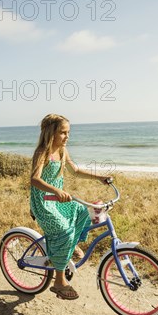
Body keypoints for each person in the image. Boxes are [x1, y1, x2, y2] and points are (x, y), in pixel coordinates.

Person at [30, 114, 111, 300]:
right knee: (64, 231)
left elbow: (75, 171)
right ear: (51, 133)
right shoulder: (42, 152)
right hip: (43, 202)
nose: (67, 136)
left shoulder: (62, 151)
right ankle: (59, 282)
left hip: (58, 200)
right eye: (63, 132)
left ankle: (68, 248)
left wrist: (100, 178)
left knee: (83, 211)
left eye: (68, 132)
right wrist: (57, 191)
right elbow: (35, 180)